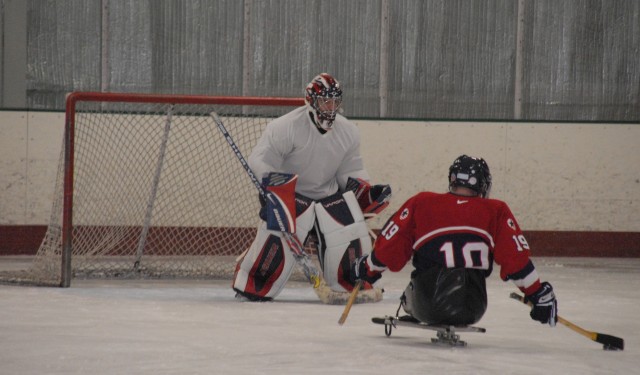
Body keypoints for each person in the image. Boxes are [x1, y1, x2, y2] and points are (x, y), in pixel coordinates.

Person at [232, 73, 391, 302]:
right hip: (292, 196)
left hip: (328, 197)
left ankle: (349, 281)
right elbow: (261, 159)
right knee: (276, 237)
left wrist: (368, 193)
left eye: (335, 101)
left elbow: (350, 172)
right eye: (326, 101)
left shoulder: (348, 132)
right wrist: (273, 189)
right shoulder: (285, 126)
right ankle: (255, 281)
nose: (331, 107)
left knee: (349, 227)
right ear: (311, 101)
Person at [349, 155, 558, 327]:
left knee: (421, 274)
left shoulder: (422, 202)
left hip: (427, 304)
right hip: (473, 307)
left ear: (453, 180)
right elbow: (515, 259)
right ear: (484, 184)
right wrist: (537, 294)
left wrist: (368, 268)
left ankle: (409, 301)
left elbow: (389, 247)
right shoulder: (496, 210)